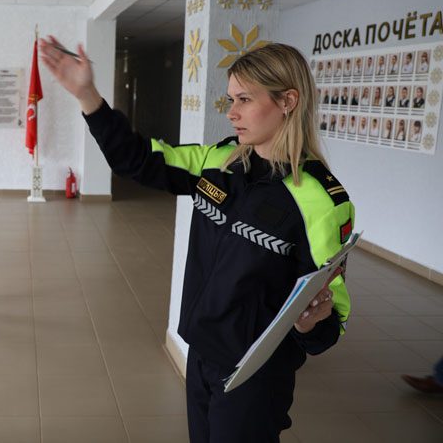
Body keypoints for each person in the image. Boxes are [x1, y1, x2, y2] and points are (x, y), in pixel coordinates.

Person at [39, 38, 354, 442]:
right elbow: (137, 159)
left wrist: (314, 322)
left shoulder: (322, 202)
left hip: (254, 375)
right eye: (231, 99)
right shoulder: (219, 161)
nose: (232, 113)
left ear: (288, 101)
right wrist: (87, 96)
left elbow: (333, 315)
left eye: (244, 100)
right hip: (202, 354)